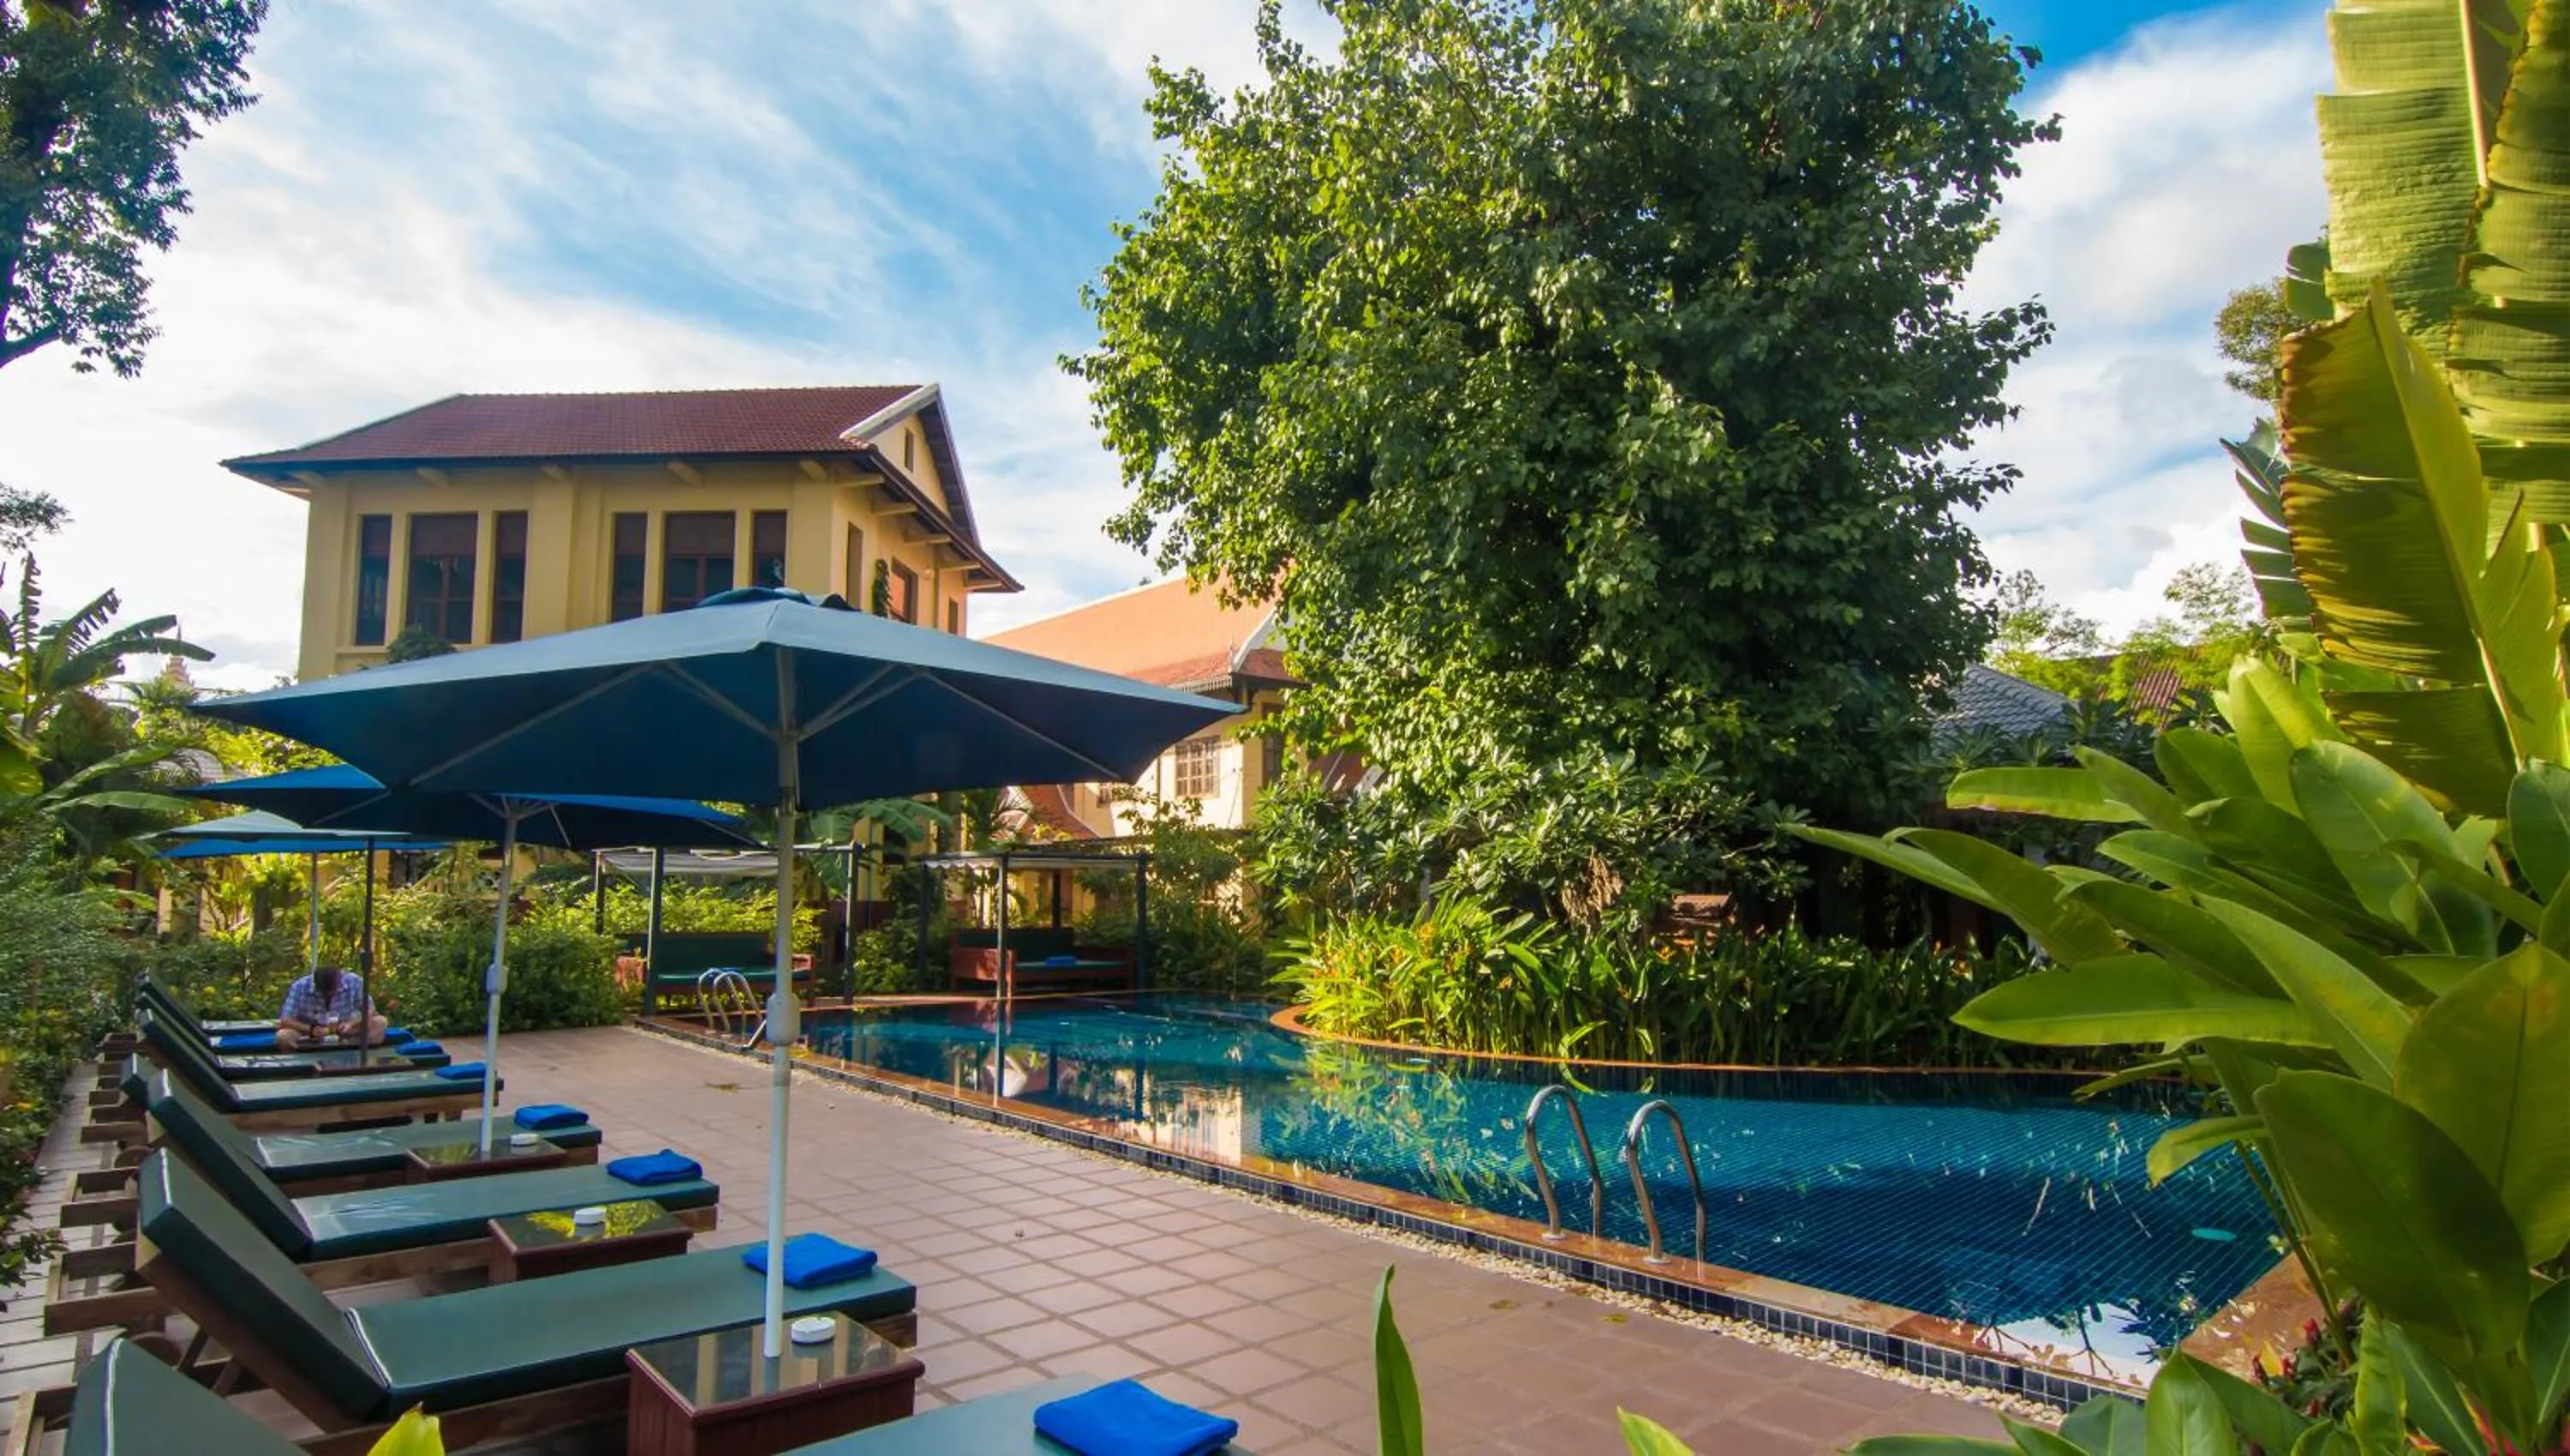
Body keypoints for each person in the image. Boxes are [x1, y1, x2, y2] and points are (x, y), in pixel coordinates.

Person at [275, 964, 387, 1049]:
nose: (329, 995)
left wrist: (351, 1024)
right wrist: (311, 1030)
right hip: (310, 1032)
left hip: (346, 1029)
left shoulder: (354, 982)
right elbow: (285, 1020)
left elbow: (370, 1009)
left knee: (380, 1022)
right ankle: (300, 1064)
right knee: (283, 1036)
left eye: (332, 991)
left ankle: (358, 1052)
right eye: (324, 992)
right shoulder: (300, 986)